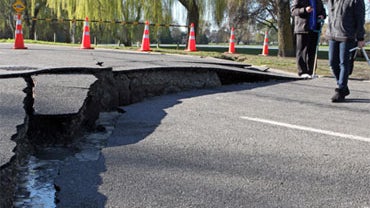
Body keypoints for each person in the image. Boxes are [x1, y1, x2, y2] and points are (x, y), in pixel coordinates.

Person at [325, 0, 366, 102]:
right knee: (332, 63)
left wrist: (360, 37)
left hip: (347, 35)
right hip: (332, 34)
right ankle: (343, 86)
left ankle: (341, 90)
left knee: (344, 63)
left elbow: (360, 19)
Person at [291, 0, 326, 79]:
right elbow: (293, 11)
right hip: (302, 28)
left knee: (312, 51)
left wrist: (322, 15)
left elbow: (323, 11)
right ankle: (302, 71)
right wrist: (304, 10)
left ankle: (311, 71)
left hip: (315, 29)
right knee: (302, 51)